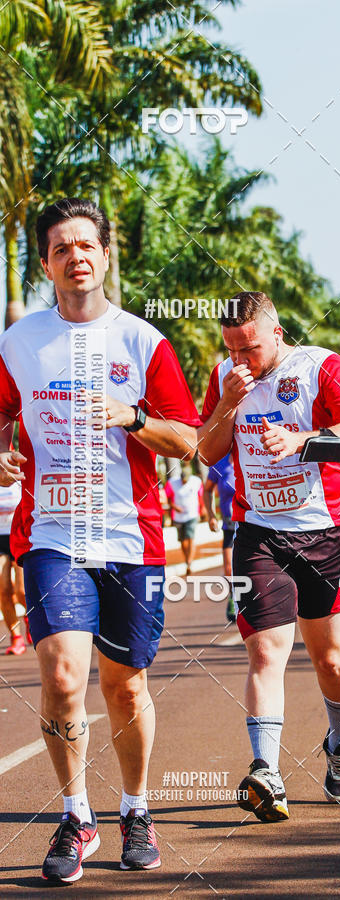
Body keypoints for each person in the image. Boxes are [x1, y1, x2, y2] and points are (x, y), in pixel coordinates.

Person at [0, 198, 199, 882]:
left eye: (86, 244)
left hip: (129, 537)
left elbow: (190, 440)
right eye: (60, 248)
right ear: (47, 263)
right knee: (60, 678)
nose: (75, 256)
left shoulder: (143, 342)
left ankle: (135, 808)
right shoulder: (19, 342)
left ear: (106, 255)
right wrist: (2, 448)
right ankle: (74, 816)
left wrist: (130, 415)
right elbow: (0, 418)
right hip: (53, 532)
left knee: (125, 683)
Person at [197, 291, 340, 822]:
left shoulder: (321, 366)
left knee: (328, 657)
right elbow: (207, 452)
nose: (240, 360)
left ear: (276, 332)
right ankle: (266, 773)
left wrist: (304, 441)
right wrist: (227, 402)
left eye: (249, 348)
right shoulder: (225, 377)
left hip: (324, 530)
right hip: (257, 530)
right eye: (231, 349)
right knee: (264, 653)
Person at [204, 453, 237, 623]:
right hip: (230, 526)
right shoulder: (219, 463)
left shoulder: (249, 455)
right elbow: (207, 490)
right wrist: (211, 515)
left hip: (251, 523)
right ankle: (234, 599)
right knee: (229, 568)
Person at [0, 480, 28, 655]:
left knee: (22, 590)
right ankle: (16, 637)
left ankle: (30, 618)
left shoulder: (20, 477)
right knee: (3, 589)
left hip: (17, 534)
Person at [165, 463, 205, 576]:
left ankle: (189, 562)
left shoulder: (196, 481)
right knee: (183, 541)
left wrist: (203, 508)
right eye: (183, 480)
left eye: (186, 480)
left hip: (192, 515)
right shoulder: (172, 483)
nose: (184, 482)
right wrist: (174, 507)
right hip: (178, 517)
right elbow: (167, 497)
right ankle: (186, 558)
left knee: (190, 538)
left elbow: (201, 495)